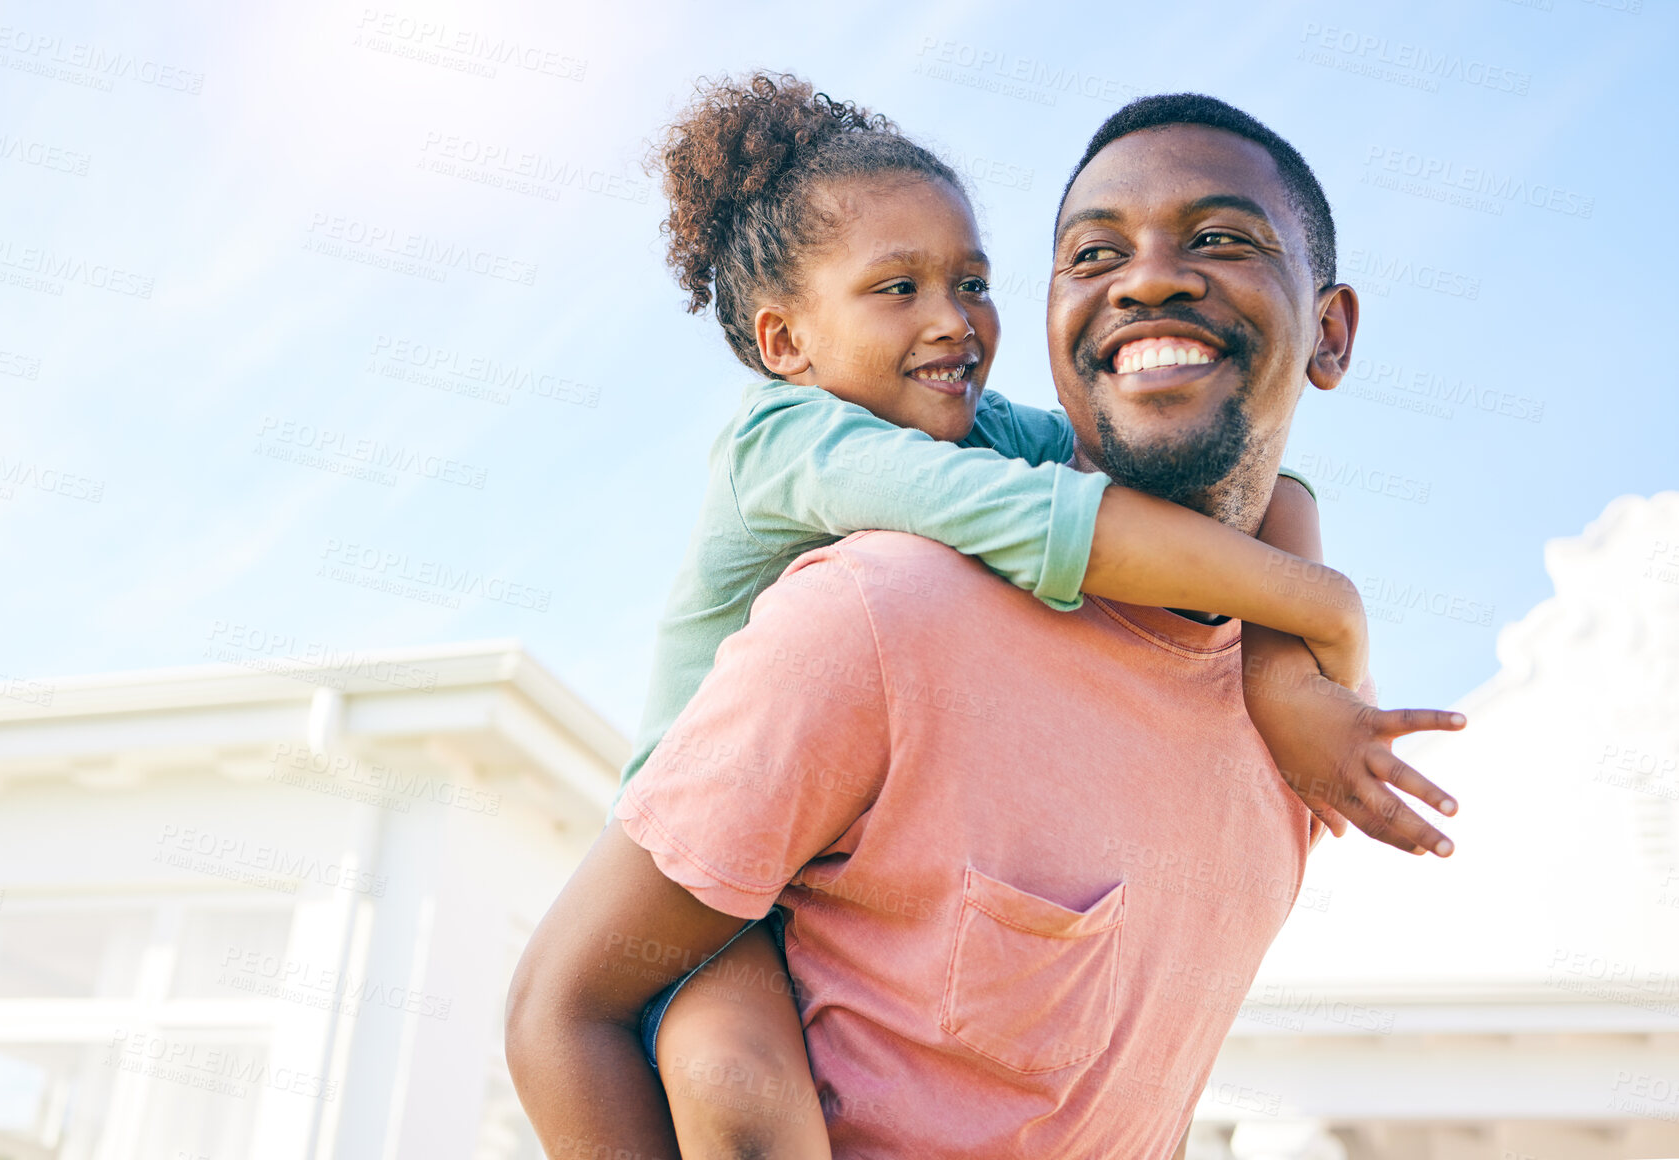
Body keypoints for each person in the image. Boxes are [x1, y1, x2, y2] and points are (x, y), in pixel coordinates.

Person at [508, 90, 1465, 1159]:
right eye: (1094, 253)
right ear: (785, 337)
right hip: (712, 883)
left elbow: (1271, 485)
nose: (950, 318)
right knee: (730, 1082)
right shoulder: (829, 505)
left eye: (970, 282)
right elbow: (1052, 524)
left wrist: (1283, 668)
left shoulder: (989, 440)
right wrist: (1317, 604)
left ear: (1330, 331)